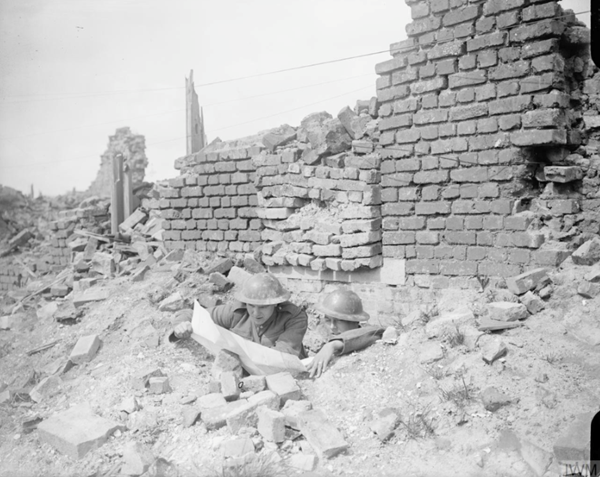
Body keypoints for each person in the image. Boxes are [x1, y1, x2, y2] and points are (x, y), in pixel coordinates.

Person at [171, 272, 308, 358]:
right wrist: (181, 325)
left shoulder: (293, 317)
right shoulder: (237, 312)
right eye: (251, 305)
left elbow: (282, 356)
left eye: (263, 307)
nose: (255, 313)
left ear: (275, 303)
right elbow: (193, 315)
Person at [307, 288, 385, 378]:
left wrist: (333, 344)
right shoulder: (324, 343)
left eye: (339, 321)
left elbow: (377, 331)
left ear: (355, 321)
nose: (332, 326)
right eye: (328, 320)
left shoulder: (368, 336)